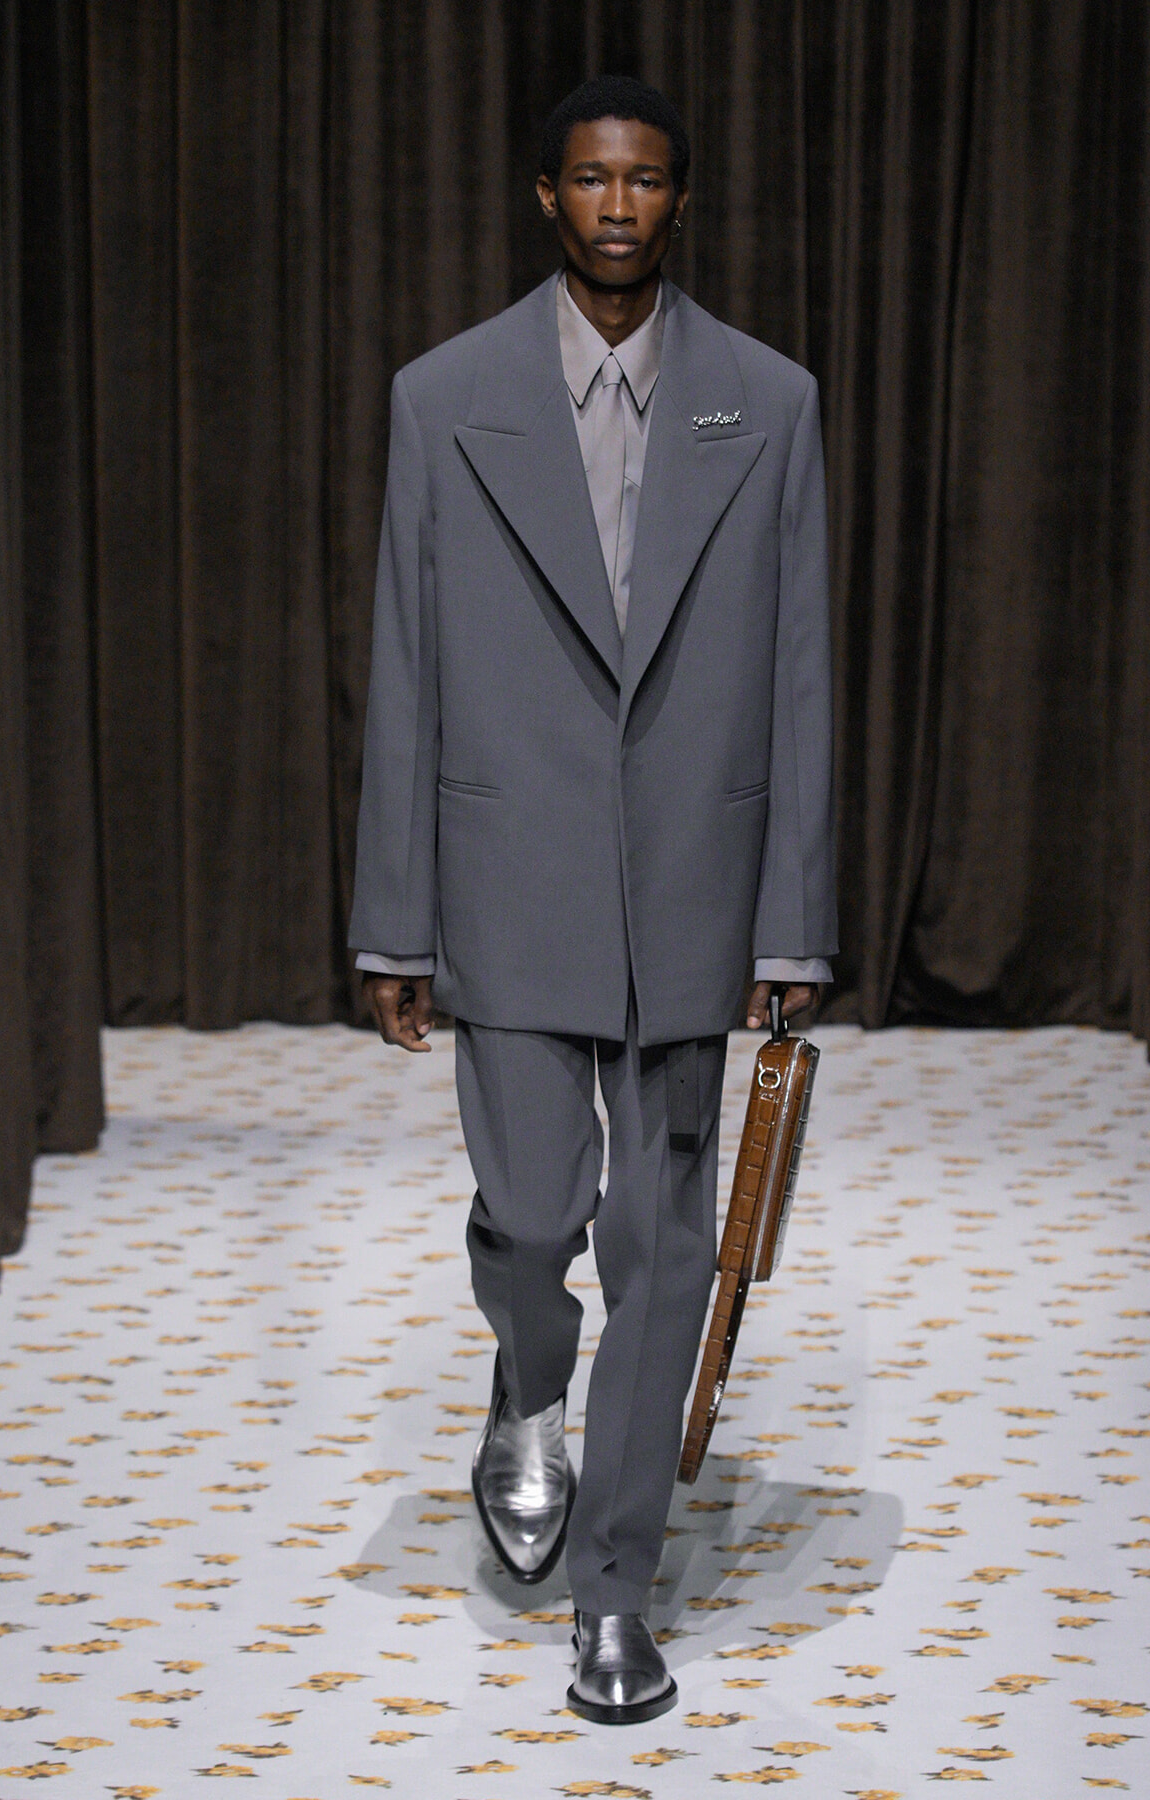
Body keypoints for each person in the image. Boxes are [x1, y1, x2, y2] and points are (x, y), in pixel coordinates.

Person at [350, 74, 835, 1725]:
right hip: (508, 882)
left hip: (696, 894)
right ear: (544, 197)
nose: (617, 206)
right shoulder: (446, 396)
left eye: (645, 183)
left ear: (678, 204)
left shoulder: (768, 402)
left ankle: (616, 1597)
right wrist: (395, 920)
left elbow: (799, 675)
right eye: (589, 180)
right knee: (538, 1218)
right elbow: (408, 668)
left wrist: (790, 919)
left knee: (662, 1249)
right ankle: (522, 1387)